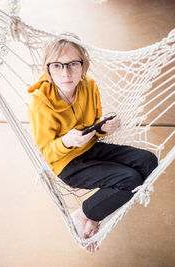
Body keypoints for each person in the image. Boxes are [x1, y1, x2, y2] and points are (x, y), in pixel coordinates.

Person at [28, 34, 158, 253]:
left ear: (83, 66)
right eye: (57, 65)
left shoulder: (89, 87)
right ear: (48, 69)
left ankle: (98, 207)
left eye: (72, 64)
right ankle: (84, 214)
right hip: (67, 164)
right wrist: (66, 142)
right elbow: (47, 153)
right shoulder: (40, 104)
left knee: (148, 162)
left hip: (91, 148)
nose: (66, 72)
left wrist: (102, 128)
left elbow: (93, 129)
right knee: (130, 180)